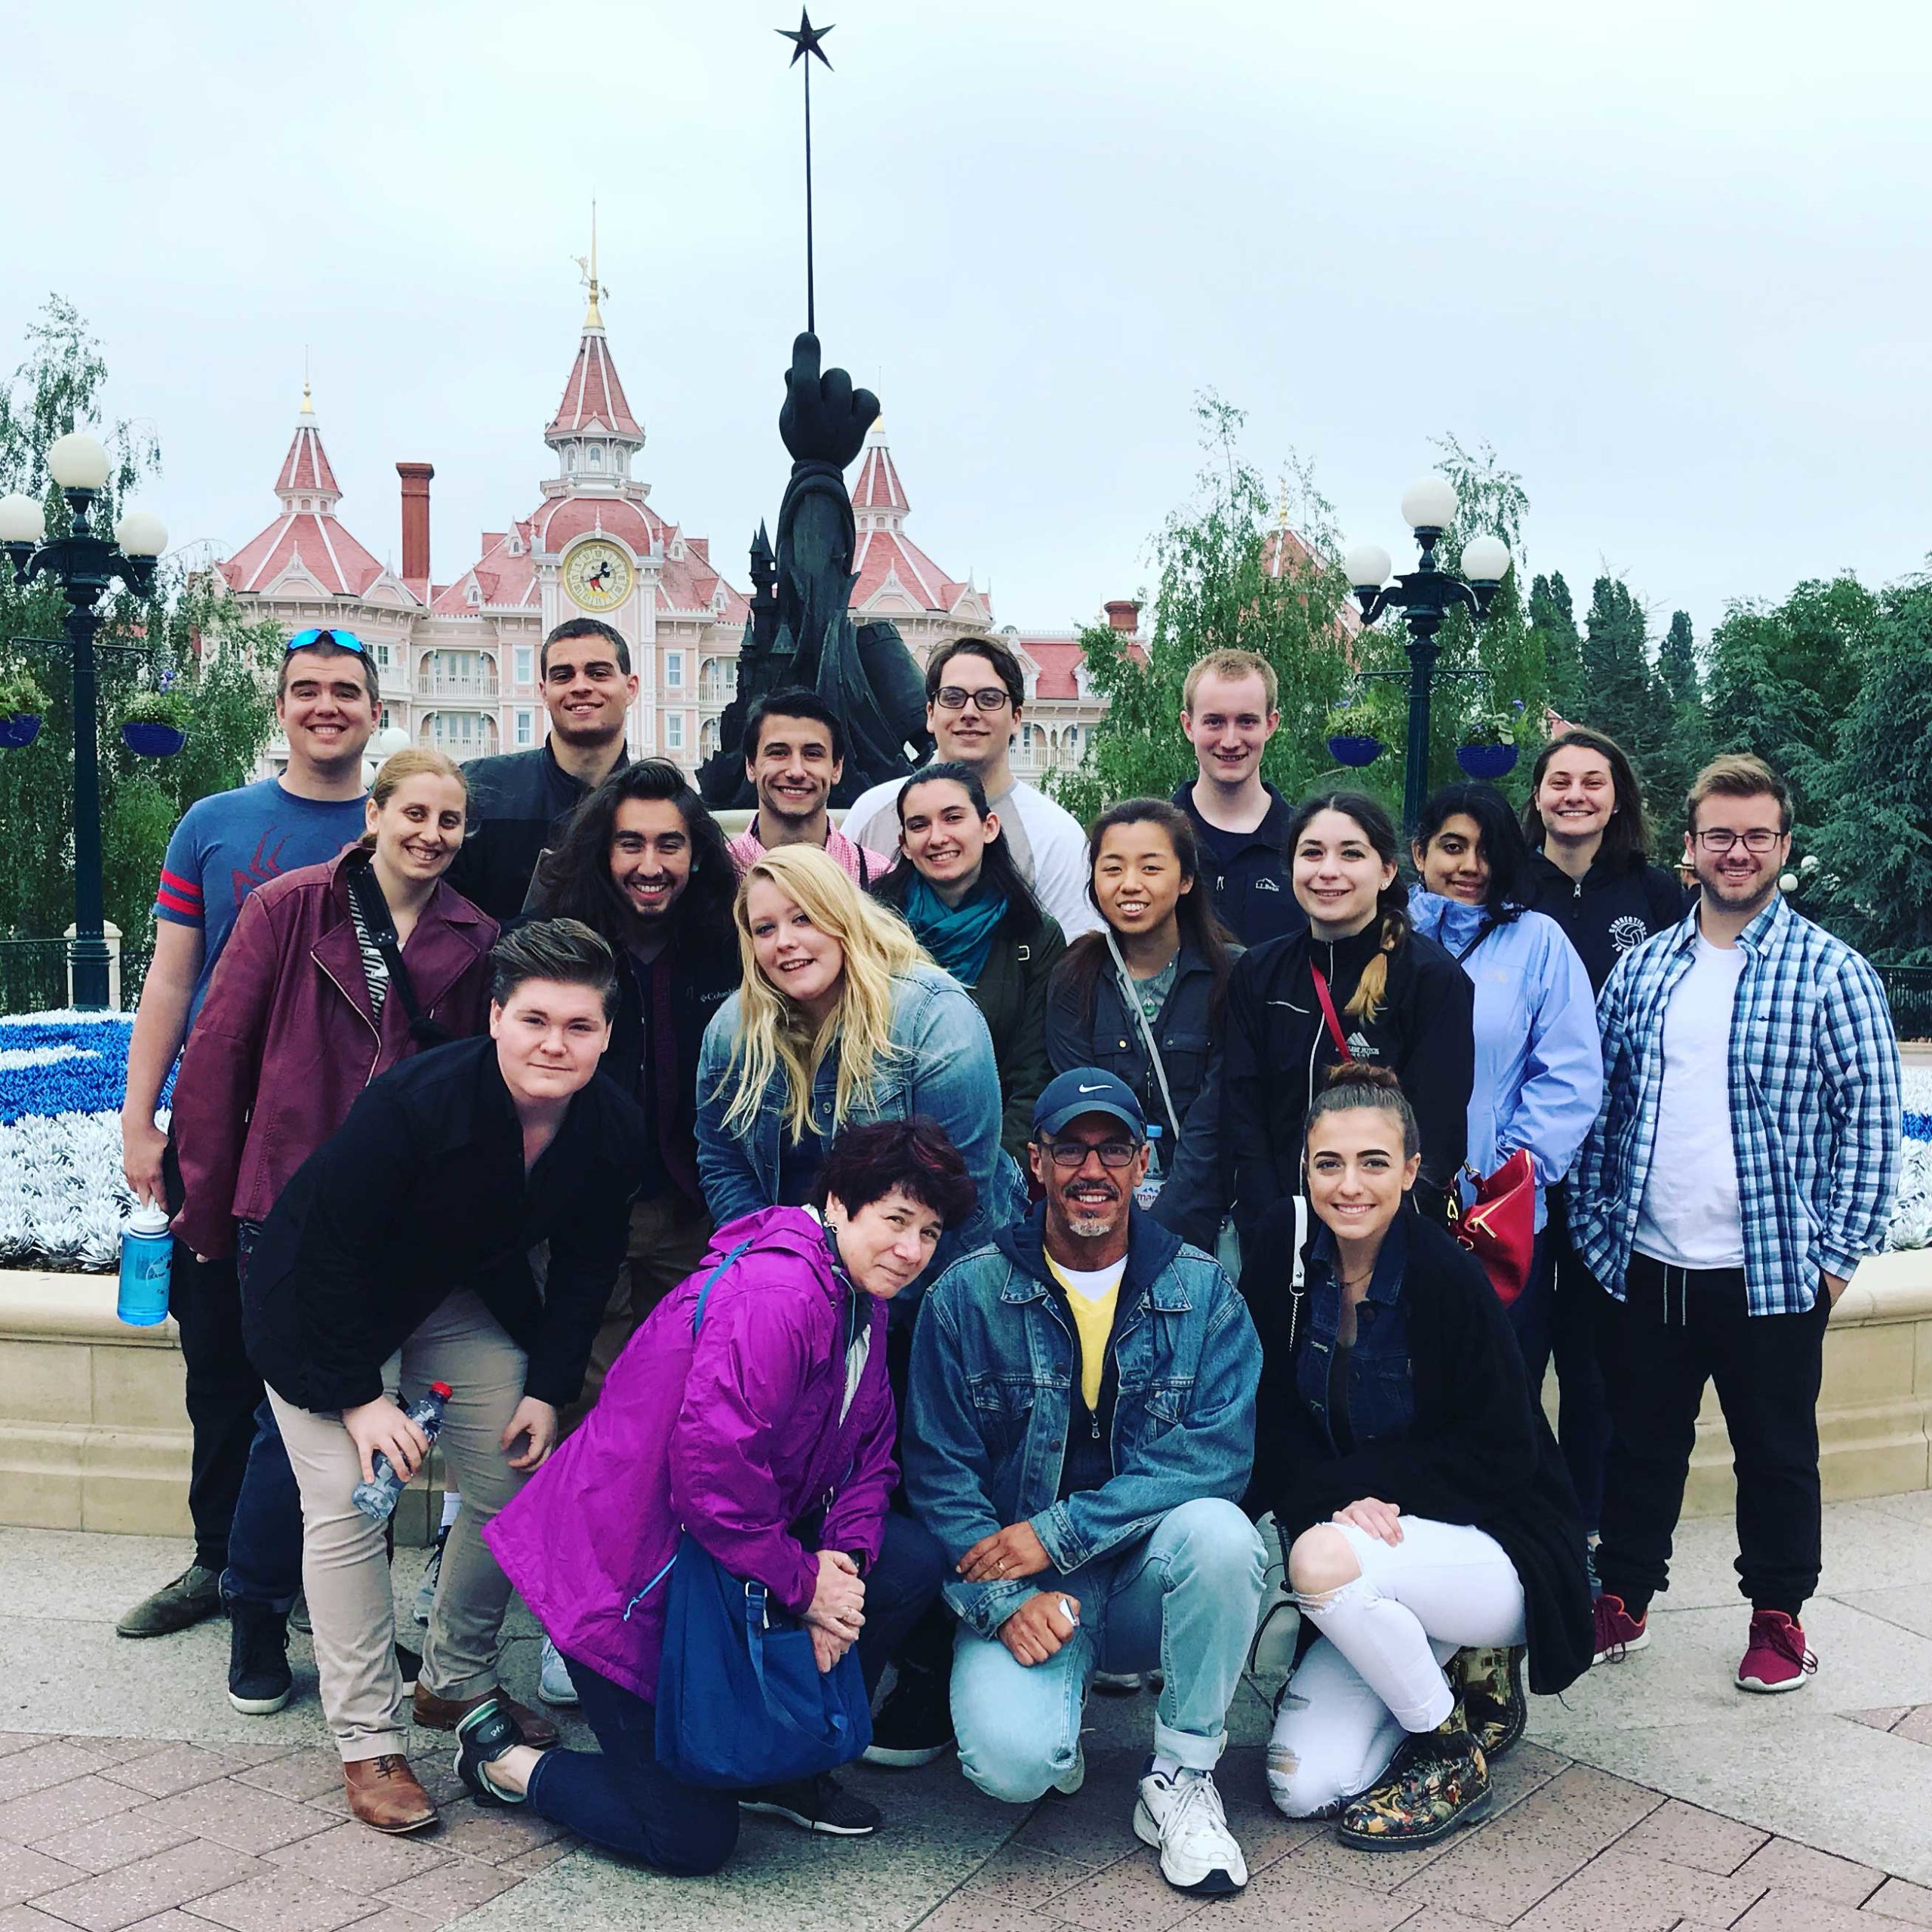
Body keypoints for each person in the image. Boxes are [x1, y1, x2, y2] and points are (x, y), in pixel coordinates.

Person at [468, 1119, 976, 1864]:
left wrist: (843, 1571)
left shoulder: (856, 1292)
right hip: (623, 1579)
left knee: (902, 1563)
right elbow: (713, 1483)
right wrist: (806, 1588)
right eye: (896, 1220)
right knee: (688, 1835)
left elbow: (871, 1455)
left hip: (713, 1551)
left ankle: (787, 1765)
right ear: (838, 1202)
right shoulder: (779, 1295)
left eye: (929, 1232)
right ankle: (506, 1762)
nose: (912, 1250)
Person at [241, 920, 648, 1832]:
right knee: (354, 1495)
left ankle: (454, 1677)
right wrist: (359, 1398)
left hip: (445, 1294)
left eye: (579, 1025)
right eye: (534, 1018)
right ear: (495, 1016)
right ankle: (369, 1738)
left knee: (520, 1468)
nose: (555, 1043)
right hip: (319, 1307)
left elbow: (587, 1268)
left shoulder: (609, 1125)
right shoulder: (415, 1102)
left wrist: (547, 1387)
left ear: (606, 1035)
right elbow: (331, 1252)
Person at [171, 749, 496, 1718]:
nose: (431, 834)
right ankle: (257, 1607)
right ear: (377, 815)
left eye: (450, 821)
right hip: (289, 1200)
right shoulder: (288, 907)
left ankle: (314, 1605)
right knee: (291, 1424)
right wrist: (207, 1202)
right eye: (416, 814)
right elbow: (219, 1054)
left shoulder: (473, 935)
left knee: (361, 1433)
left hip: (401, 1222)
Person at [1572, 755, 1902, 1693]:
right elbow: (1606, 1108)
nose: (1737, 850)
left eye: (1757, 834)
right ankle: (1624, 1595)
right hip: (1648, 1261)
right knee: (1639, 1444)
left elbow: (1872, 1125)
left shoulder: (1832, 972)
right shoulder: (1643, 970)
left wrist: (1831, 1262)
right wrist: (1601, 1236)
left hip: (1769, 1269)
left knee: (1776, 1454)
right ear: (1689, 847)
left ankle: (1777, 1617)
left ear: (1783, 847)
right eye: (1718, 833)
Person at [905, 1069, 1265, 1896]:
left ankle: (1182, 1773)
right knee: (1012, 1768)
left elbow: (1216, 1458)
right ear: (1035, 1162)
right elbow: (938, 1469)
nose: (1090, 1170)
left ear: (1145, 1165)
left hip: (1147, 1578)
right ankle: (1054, 1722)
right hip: (1027, 1590)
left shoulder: (1203, 1291)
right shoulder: (966, 1292)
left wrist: (1058, 1530)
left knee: (1222, 1535)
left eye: (1112, 1150)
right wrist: (1002, 1602)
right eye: (1070, 1147)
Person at [1247, 1066, 1592, 1845]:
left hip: (1496, 1544)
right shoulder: (1282, 1249)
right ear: (1304, 1166)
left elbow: (1502, 1452)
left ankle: (1449, 1748)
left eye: (1373, 1162)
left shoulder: (1447, 1278)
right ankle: (1434, 1671)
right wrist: (1336, 1499)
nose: (1349, 1186)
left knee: (1323, 1559)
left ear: (1409, 1170)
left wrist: (1355, 1496)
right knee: (1299, 1785)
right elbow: (1265, 1411)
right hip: (1376, 1549)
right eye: (1328, 1163)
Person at [116, 629, 379, 1642]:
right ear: (281, 709)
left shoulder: (402, 821)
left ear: (371, 707)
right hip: (221, 1140)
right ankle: (217, 1562)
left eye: (345, 691)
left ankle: (324, 1582)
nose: (326, 706)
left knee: (336, 1369)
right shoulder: (214, 825)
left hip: (351, 1149)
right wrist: (143, 1120)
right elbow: (171, 979)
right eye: (307, 690)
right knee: (220, 1360)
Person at [519, 758, 740, 1707]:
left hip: (696, 1213)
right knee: (587, 1412)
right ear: (602, 849)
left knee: (686, 1416)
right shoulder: (567, 943)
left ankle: (658, 1602)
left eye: (670, 845)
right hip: (591, 1217)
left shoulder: (723, 945)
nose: (650, 864)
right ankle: (573, 1617)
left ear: (697, 853)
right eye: (631, 843)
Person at [1518, 727, 1690, 1561]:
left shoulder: (1657, 896)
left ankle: (1587, 1528)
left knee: (1593, 1366)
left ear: (1616, 797)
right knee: (1513, 1354)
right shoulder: (1510, 888)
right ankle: (1521, 1518)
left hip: (1617, 1170)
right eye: (1559, 780)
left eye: (1593, 781)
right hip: (1515, 1167)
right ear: (1538, 795)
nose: (1575, 794)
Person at [696, 844, 1019, 1267]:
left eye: (804, 918)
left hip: (933, 1270)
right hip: (791, 1275)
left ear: (843, 917)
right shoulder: (732, 1030)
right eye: (765, 929)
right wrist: (778, 1269)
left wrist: (869, 1304)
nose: (785, 943)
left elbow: (963, 1193)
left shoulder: (933, 1017)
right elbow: (723, 1162)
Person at [1406, 782, 1604, 1369]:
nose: (1470, 866)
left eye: (1487, 850)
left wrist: (1507, 1177)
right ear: (1420, 854)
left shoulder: (1539, 942)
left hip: (1497, 1221)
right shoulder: (1387, 936)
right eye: (1453, 846)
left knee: (1498, 1390)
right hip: (1393, 1210)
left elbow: (1568, 1075)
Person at [1222, 792, 1474, 1244]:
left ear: (1387, 871)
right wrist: (1272, 1223)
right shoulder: (1259, 972)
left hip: (1389, 1234)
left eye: (1351, 853)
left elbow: (1438, 1130)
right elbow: (1243, 1112)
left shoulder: (1432, 978)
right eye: (1312, 853)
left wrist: (1389, 1235)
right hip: (1284, 1231)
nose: (1328, 871)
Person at [1046, 799, 1233, 1254]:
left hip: (1206, 1213)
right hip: (1100, 1207)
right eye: (1112, 869)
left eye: (1151, 868)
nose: (1130, 885)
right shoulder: (1074, 977)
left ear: (1185, 879)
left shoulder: (1230, 975)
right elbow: (1081, 1105)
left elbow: (1217, 1118)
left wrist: (1168, 1222)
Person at [840, 635, 1103, 939]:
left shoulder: (1056, 835)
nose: (969, 712)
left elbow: (1074, 956)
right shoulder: (873, 811)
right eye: (953, 698)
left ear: (1016, 718)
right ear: (930, 713)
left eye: (989, 699)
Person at [872, 761, 1066, 1158]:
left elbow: (1034, 1076)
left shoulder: (1033, 936)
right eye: (919, 825)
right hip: (886, 1159)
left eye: (953, 818)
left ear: (989, 827)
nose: (937, 837)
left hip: (996, 1160)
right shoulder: (874, 932)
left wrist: (994, 1174)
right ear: (905, 844)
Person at [446, 617, 636, 921]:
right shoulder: (480, 791)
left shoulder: (657, 805)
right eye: (563, 676)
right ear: (544, 692)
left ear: (630, 688)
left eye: (598, 673)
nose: (581, 686)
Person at [1170, 649, 1304, 946]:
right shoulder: (1156, 839)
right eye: (1214, 722)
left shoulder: (1304, 844)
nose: (1230, 741)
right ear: (1188, 726)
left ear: (1270, 725)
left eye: (1246, 722)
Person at [724, 688, 894, 884]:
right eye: (779, 753)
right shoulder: (715, 877)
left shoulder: (880, 878)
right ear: (751, 766)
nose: (796, 772)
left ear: (837, 768)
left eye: (812, 754)